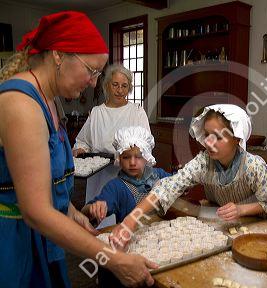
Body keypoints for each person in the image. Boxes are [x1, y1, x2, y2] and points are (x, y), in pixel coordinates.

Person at [0, 11, 156, 287]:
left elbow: (43, 183)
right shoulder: (20, 104)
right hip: (14, 241)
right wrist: (113, 259)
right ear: (59, 55)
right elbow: (35, 209)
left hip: (44, 238)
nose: (94, 82)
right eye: (92, 71)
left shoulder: (50, 101)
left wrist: (72, 214)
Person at [111, 104, 267, 246]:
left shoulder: (253, 166)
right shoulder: (204, 162)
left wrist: (241, 209)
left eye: (218, 137)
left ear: (237, 138)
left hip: (257, 230)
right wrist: (130, 221)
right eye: (207, 135)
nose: (209, 142)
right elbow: (169, 186)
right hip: (223, 227)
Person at [81, 126, 171, 223]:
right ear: (119, 159)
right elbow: (85, 213)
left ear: (147, 157)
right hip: (131, 235)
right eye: (126, 157)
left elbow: (179, 183)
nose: (132, 162)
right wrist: (93, 208)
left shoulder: (159, 175)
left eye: (139, 157)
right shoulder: (116, 187)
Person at [72, 64, 150, 157]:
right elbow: (83, 142)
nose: (120, 90)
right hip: (99, 165)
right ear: (107, 85)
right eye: (115, 85)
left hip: (128, 166)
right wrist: (80, 149)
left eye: (124, 86)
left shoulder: (137, 112)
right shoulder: (97, 113)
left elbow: (146, 144)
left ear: (129, 88)